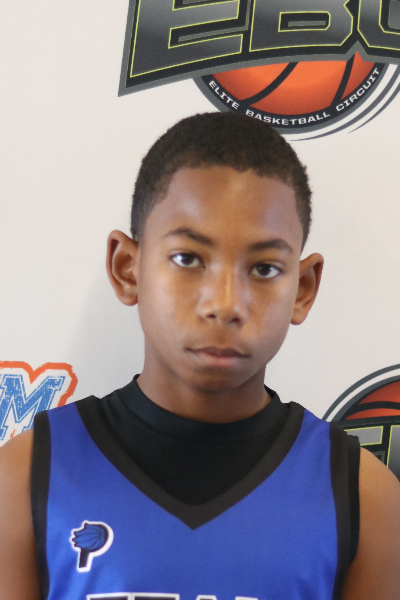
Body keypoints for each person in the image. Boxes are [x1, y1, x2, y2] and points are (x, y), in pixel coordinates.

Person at [0, 113, 399, 600]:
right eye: (188, 259)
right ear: (127, 268)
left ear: (303, 289)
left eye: (264, 268)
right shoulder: (24, 479)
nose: (225, 304)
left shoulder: (364, 499)